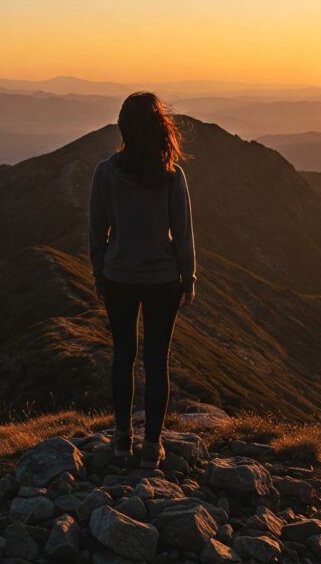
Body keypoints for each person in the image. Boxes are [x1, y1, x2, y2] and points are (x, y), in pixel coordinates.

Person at [88, 92, 197, 469]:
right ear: (158, 128)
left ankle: (122, 440)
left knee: (123, 357)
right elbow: (182, 233)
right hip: (163, 281)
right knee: (156, 362)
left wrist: (98, 273)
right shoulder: (171, 175)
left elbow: (97, 230)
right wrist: (188, 278)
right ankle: (152, 445)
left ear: (123, 127)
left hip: (119, 277)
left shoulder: (105, 173)